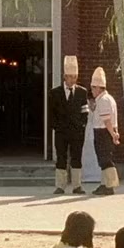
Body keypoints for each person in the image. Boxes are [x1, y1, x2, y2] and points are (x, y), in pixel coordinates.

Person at [50, 55, 90, 195]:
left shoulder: (82, 92)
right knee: (61, 157)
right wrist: (56, 127)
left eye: (75, 77)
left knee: (76, 157)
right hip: (61, 131)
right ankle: (60, 186)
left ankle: (77, 185)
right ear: (65, 77)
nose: (72, 80)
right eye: (70, 77)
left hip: (77, 131)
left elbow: (85, 111)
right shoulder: (55, 93)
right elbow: (51, 113)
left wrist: (82, 125)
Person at [89, 67, 121, 196]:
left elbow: (107, 120)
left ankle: (110, 185)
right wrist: (115, 132)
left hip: (103, 133)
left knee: (105, 159)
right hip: (105, 132)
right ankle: (104, 184)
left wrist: (113, 134)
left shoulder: (103, 101)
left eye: (93, 88)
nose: (92, 91)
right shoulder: (109, 99)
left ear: (98, 88)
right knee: (103, 160)